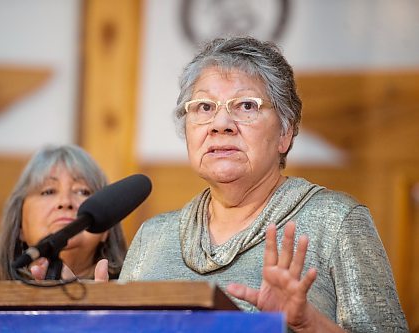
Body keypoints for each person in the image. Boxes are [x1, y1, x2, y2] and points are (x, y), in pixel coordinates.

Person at [113, 37, 408, 331]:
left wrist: (308, 324)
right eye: (204, 107)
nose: (220, 123)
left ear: (285, 132)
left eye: (245, 105)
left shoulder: (336, 221)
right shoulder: (152, 236)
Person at [0, 144, 127, 281]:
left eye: (82, 191)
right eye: (48, 191)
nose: (65, 202)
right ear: (20, 227)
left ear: (106, 228)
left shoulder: (137, 297)